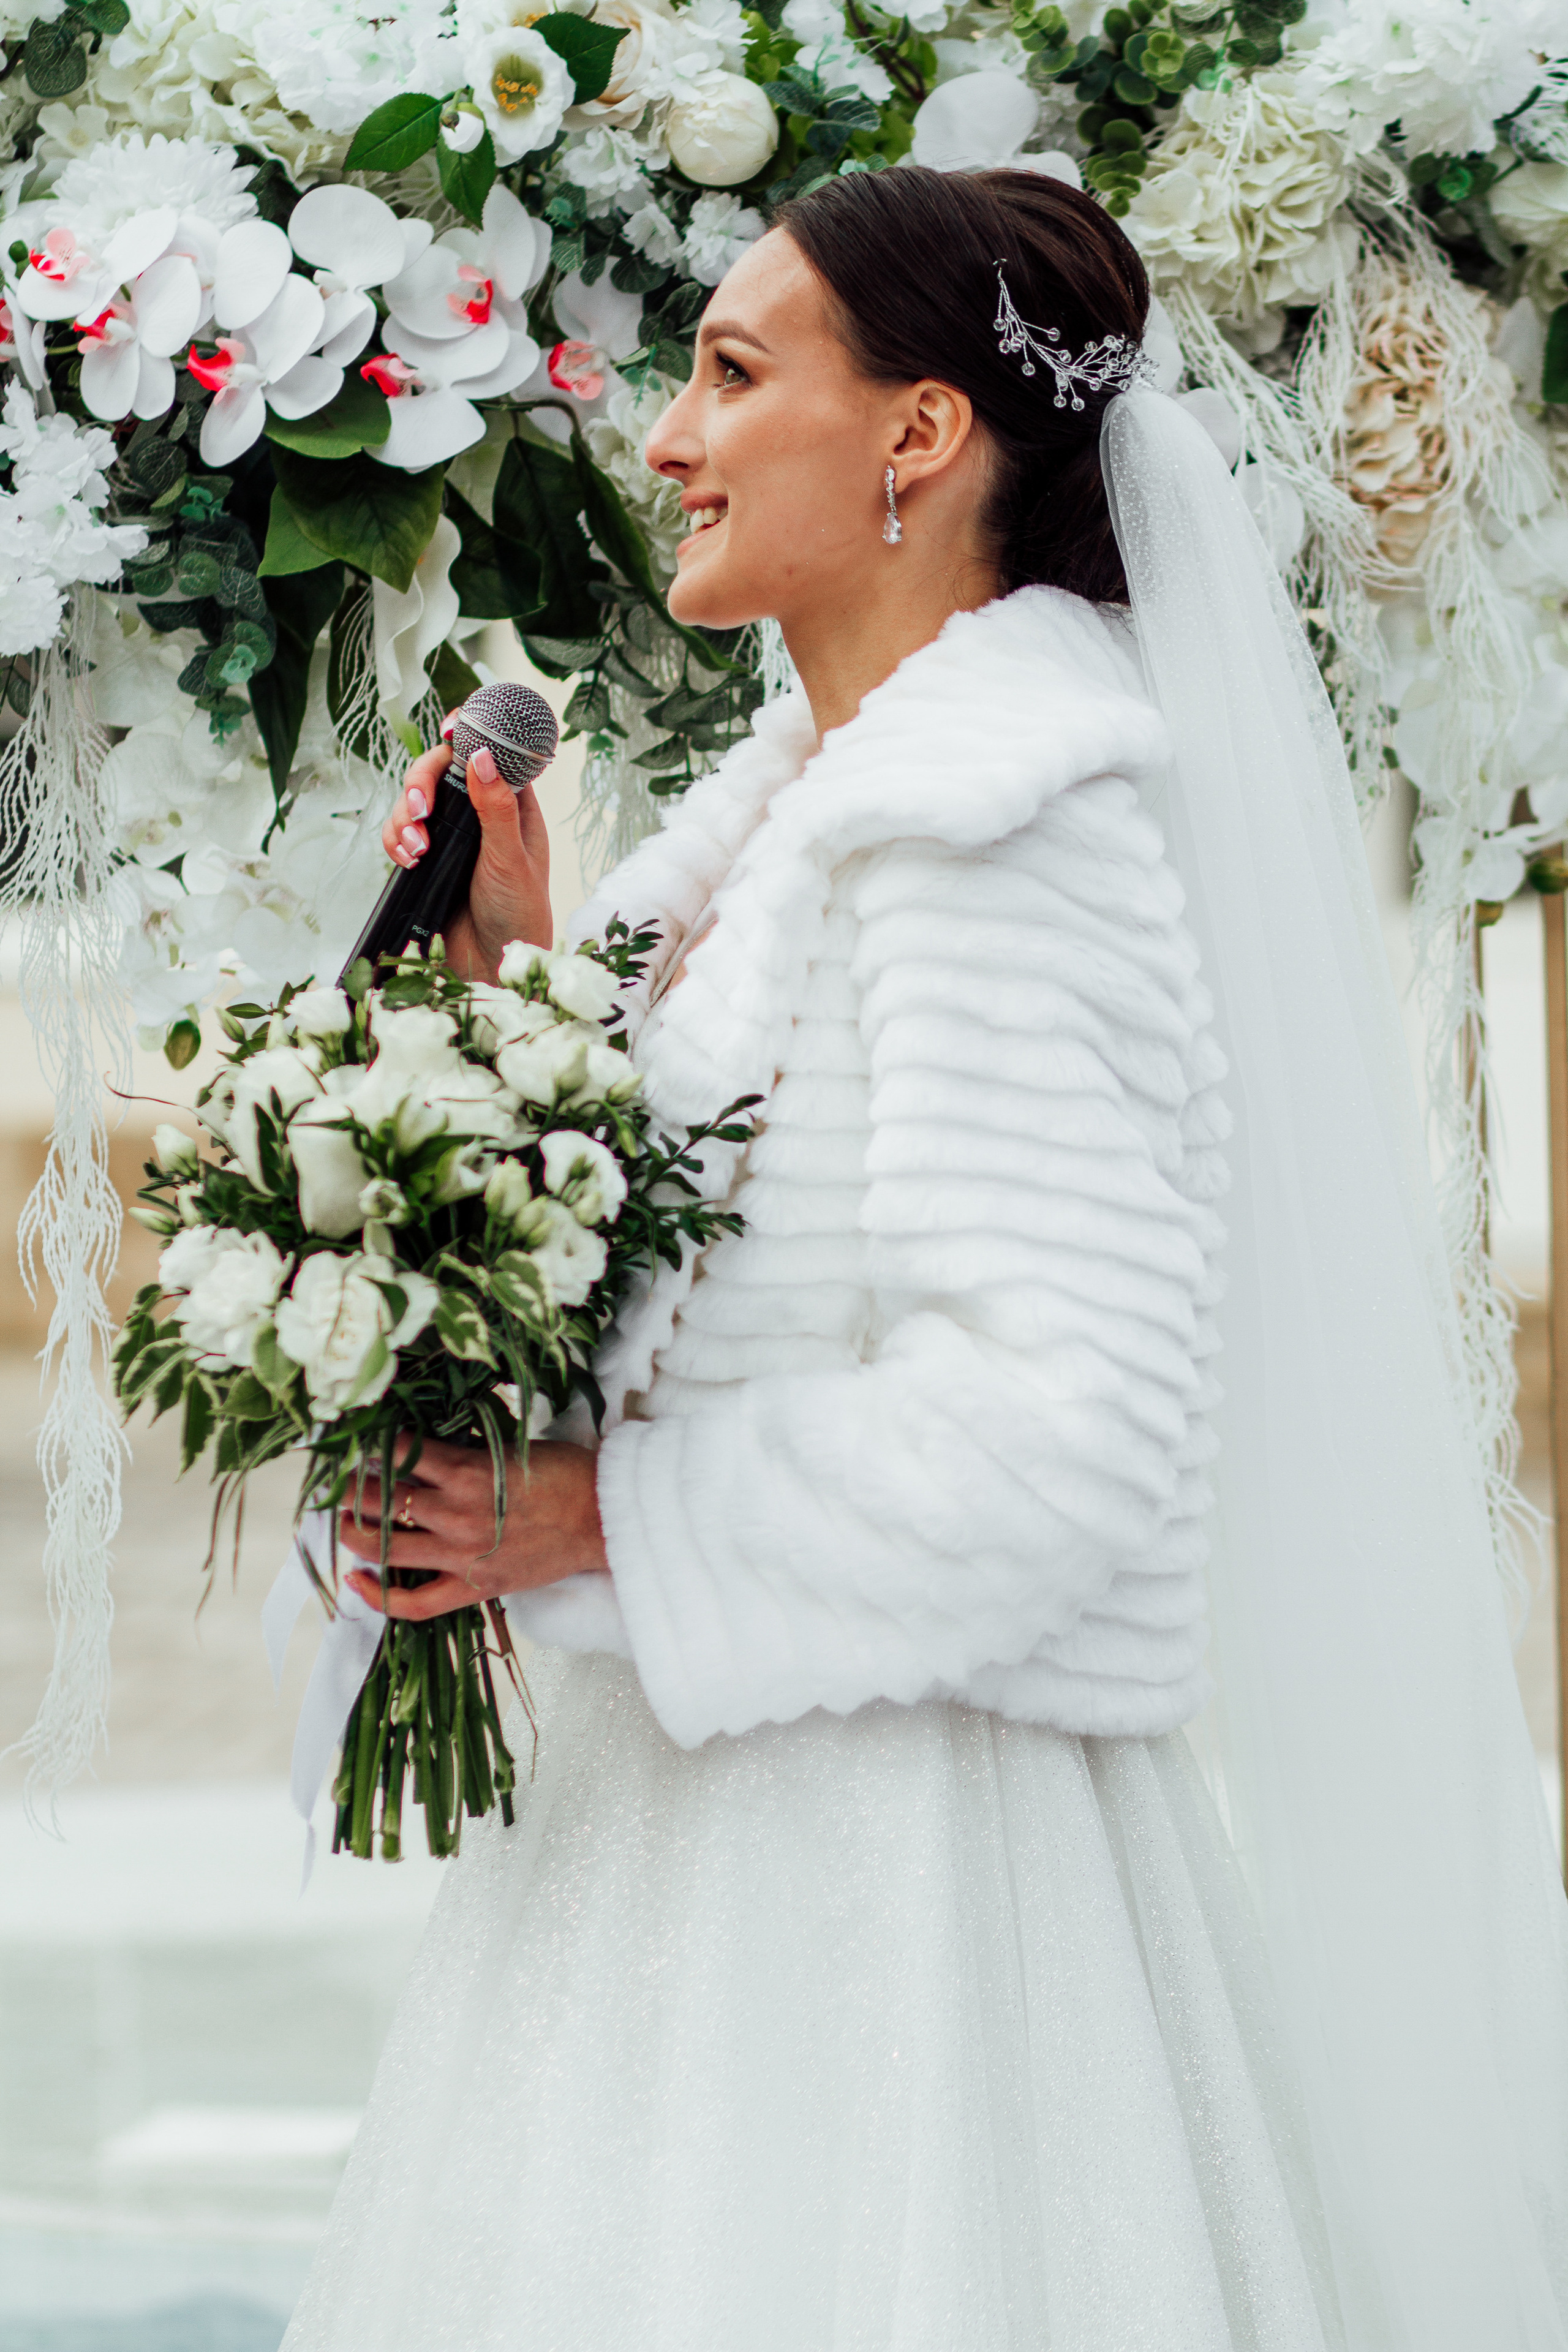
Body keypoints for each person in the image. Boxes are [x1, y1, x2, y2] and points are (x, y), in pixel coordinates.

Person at [281, 170, 1568, 2351]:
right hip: (667, 1844)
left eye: (731, 373)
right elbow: (717, 1292)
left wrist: (597, 1519)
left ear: (920, 431)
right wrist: (510, 988)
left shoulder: (1000, 837)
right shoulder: (800, 828)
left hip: (900, 1909)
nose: (667, 439)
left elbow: (1056, 1435)